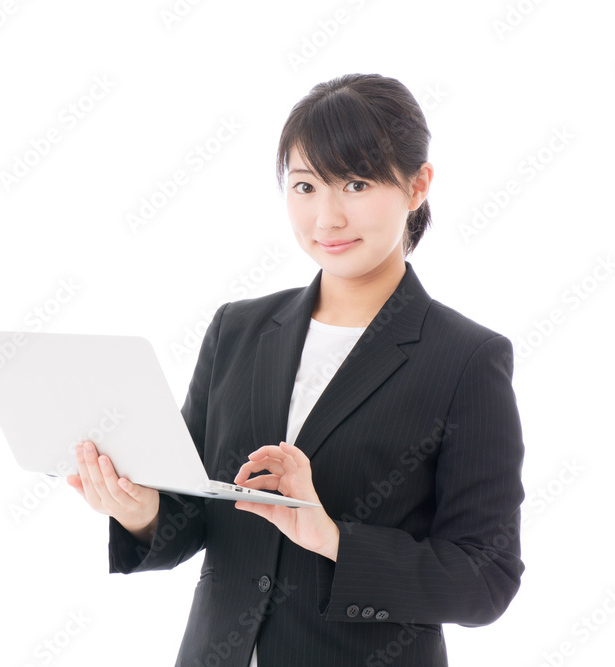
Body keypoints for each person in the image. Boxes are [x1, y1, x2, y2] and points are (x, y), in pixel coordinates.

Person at [67, 73, 524, 666]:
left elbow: (485, 579)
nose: (327, 218)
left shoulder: (465, 359)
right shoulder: (238, 330)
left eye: (356, 183)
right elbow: (194, 512)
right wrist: (139, 511)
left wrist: (332, 539)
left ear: (418, 186)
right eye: (305, 186)